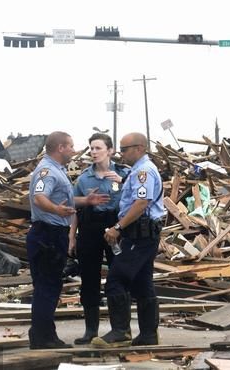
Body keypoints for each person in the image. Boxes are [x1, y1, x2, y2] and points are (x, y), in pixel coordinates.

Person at [27, 131, 108, 349]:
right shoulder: (47, 171)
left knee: (50, 287)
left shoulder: (58, 170)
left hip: (54, 234)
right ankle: (41, 338)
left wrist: (86, 201)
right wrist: (56, 210)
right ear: (60, 148)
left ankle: (45, 334)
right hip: (48, 235)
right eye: (71, 146)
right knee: (47, 287)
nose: (74, 150)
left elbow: (64, 198)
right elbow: (40, 197)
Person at [92, 132, 165, 348]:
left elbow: (142, 202)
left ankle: (120, 332)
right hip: (143, 234)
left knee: (116, 280)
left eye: (124, 149)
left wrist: (117, 227)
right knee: (142, 284)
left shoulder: (143, 171)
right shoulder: (138, 171)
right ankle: (148, 335)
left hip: (139, 235)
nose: (121, 154)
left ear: (139, 148)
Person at [68, 133, 130, 345]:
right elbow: (75, 208)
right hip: (90, 228)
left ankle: (121, 328)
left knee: (119, 277)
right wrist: (72, 236)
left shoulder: (124, 173)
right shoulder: (85, 178)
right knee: (89, 279)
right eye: (91, 148)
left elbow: (138, 201)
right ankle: (90, 330)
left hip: (116, 227)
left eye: (98, 148)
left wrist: (122, 182)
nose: (93, 152)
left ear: (110, 150)